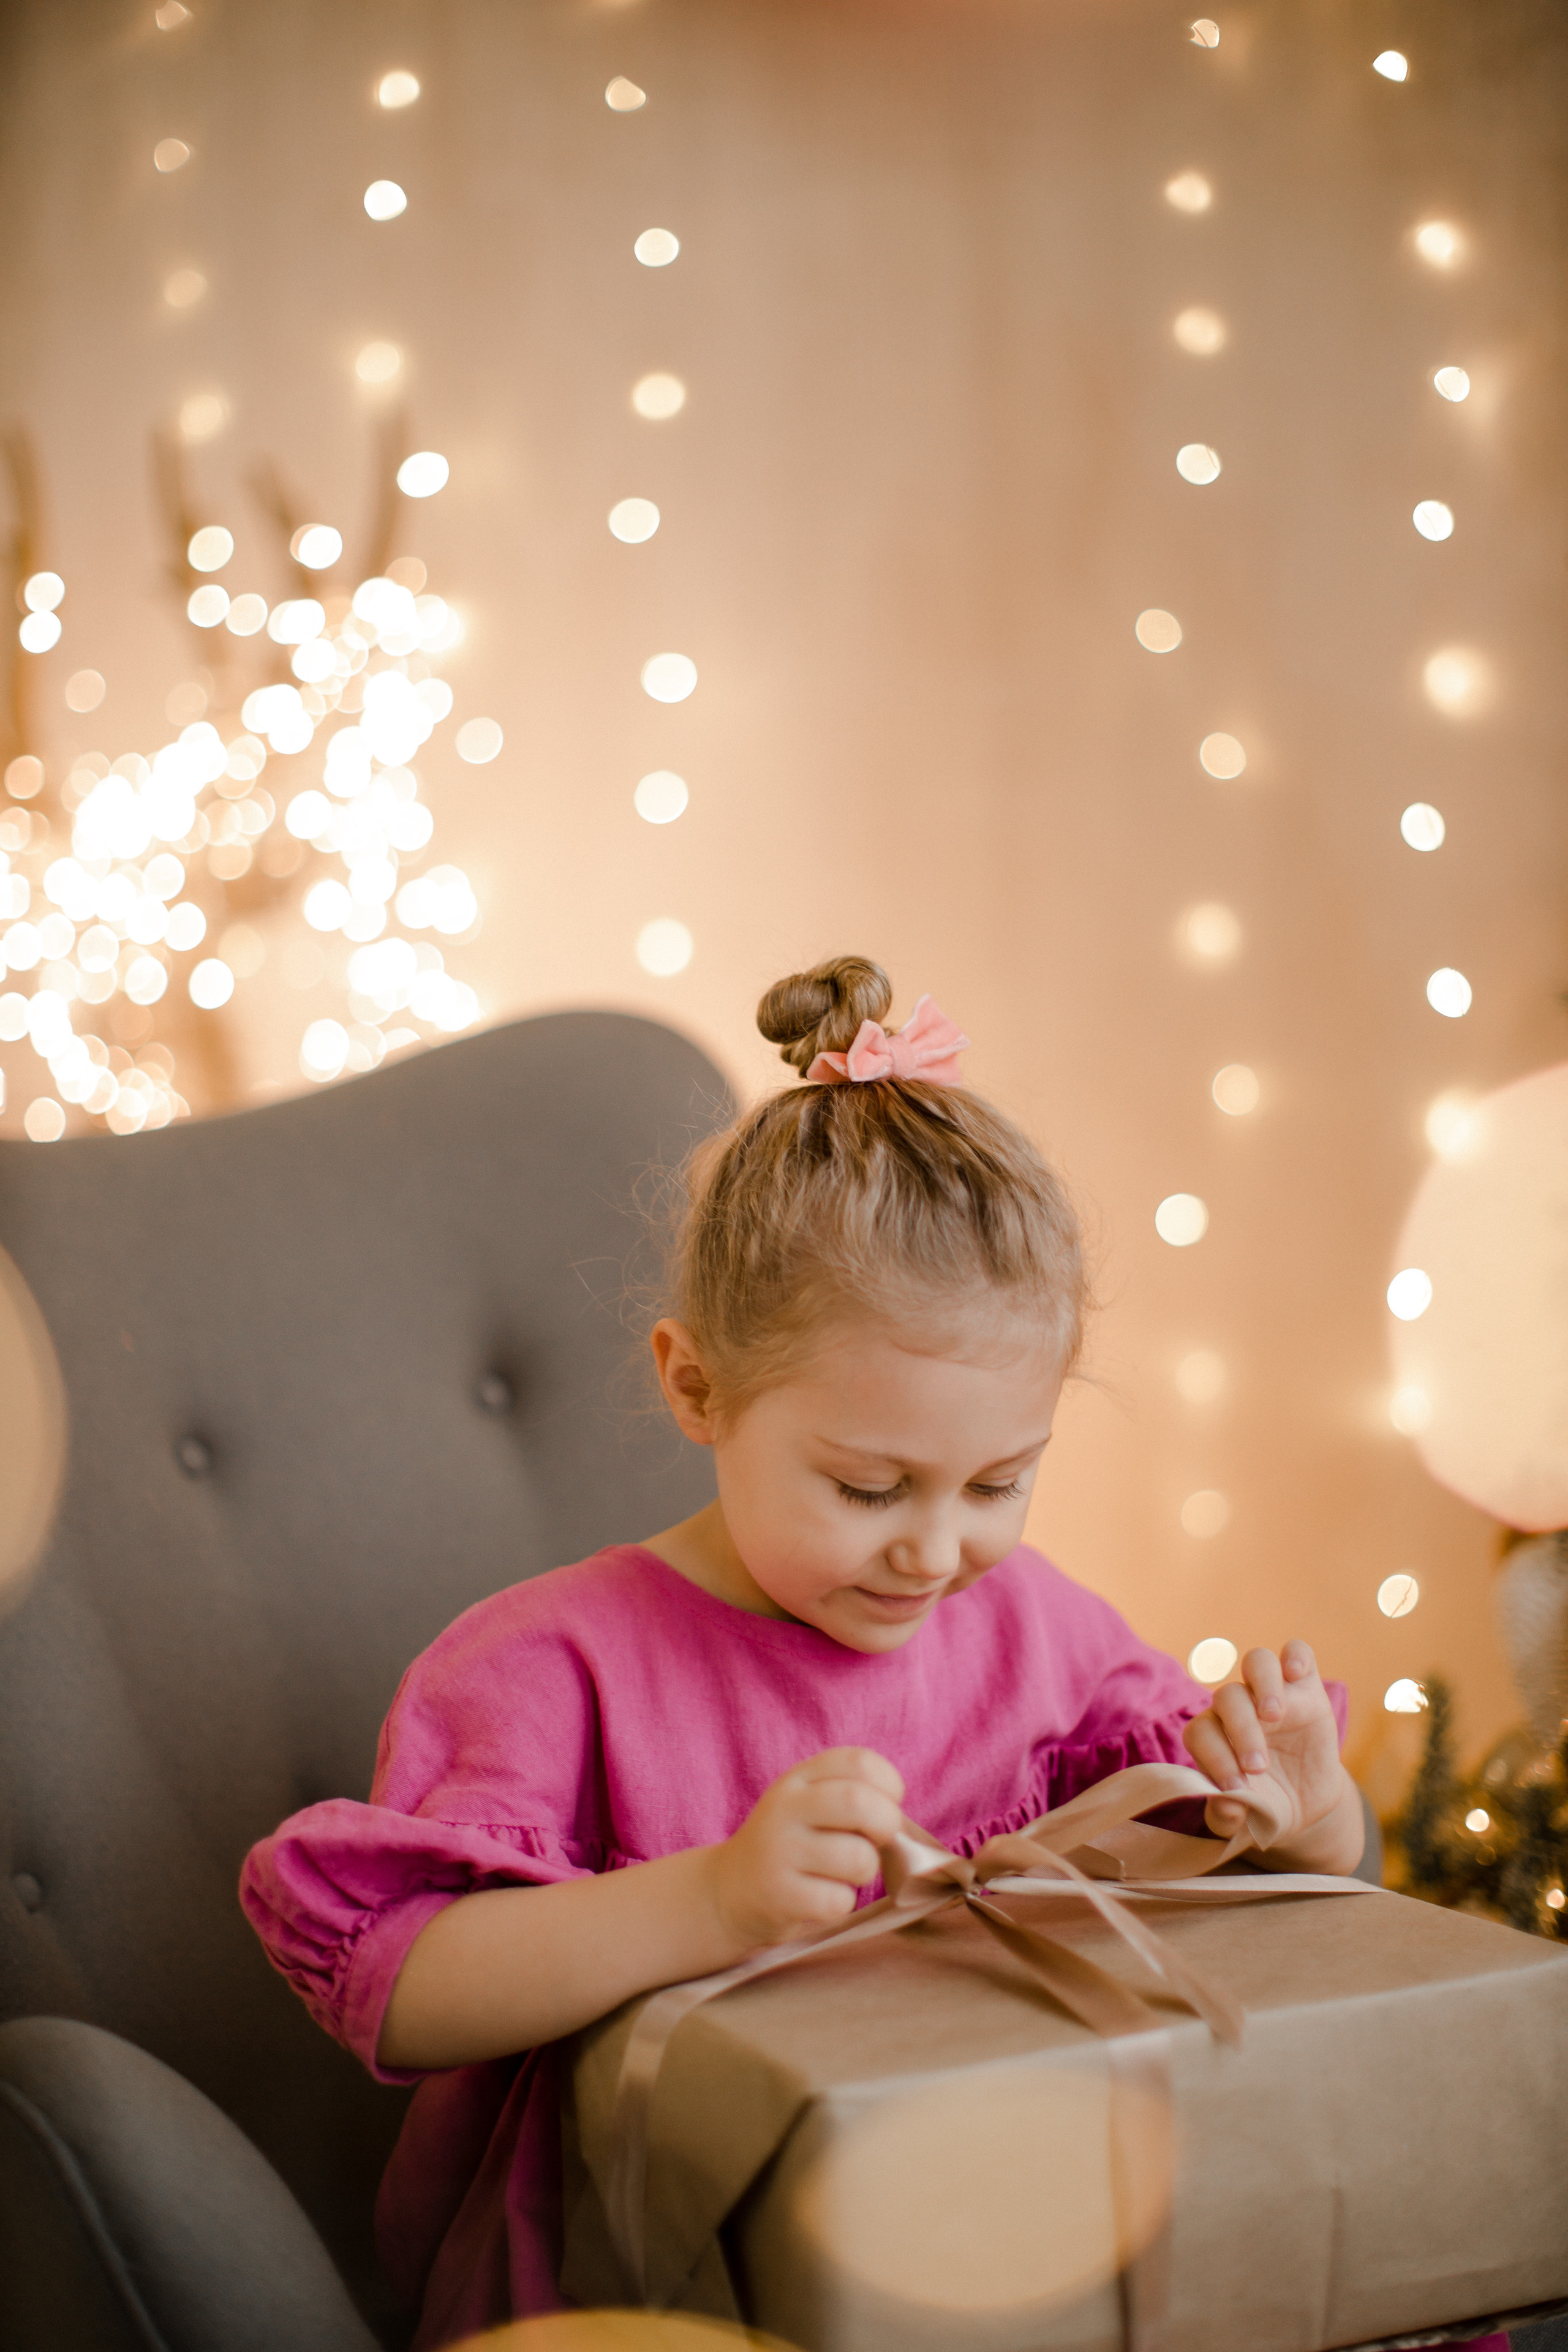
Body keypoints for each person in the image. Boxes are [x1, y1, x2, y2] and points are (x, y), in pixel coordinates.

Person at [241, 954, 1365, 2347]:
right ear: (694, 1385)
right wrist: (708, 1905)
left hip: (1001, 2233)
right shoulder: (548, 1666)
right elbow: (395, 1989)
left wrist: (1309, 1816)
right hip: (651, 2275)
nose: (934, 1552)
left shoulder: (1035, 1631)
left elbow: (1252, 1891)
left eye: (998, 1482)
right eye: (868, 1487)